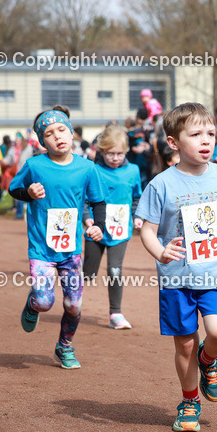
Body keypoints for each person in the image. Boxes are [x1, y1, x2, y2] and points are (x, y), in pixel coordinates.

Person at [135, 103, 217, 432]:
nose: (206, 140)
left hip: (214, 274)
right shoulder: (161, 185)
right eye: (196, 134)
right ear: (174, 142)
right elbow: (147, 229)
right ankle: (189, 401)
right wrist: (160, 252)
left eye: (211, 134)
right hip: (176, 280)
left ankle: (209, 359)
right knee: (184, 344)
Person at [9, 109, 106, 368]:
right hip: (41, 247)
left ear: (71, 132)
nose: (57, 137)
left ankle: (64, 347)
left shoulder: (87, 168)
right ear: (42, 142)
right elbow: (13, 189)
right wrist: (28, 192)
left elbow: (97, 202)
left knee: (73, 305)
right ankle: (32, 304)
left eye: (62, 130)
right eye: (49, 134)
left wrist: (98, 226)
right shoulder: (34, 165)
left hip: (71, 250)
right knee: (44, 301)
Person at [81, 125, 142, 330]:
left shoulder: (133, 170)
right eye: (110, 154)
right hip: (96, 230)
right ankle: (72, 303)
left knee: (115, 270)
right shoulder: (92, 170)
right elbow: (84, 201)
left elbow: (136, 198)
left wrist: (137, 216)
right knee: (88, 273)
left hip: (120, 231)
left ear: (126, 152)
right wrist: (87, 219)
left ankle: (115, 313)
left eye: (119, 154)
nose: (115, 158)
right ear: (101, 151)